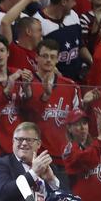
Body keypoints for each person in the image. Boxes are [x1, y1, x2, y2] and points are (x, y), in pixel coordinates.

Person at [22, 38, 82, 187]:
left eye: (53, 57)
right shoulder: (26, 83)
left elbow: (77, 124)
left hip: (64, 158)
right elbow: (24, 115)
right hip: (36, 158)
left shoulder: (70, 86)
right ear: (36, 57)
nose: (49, 60)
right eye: (45, 56)